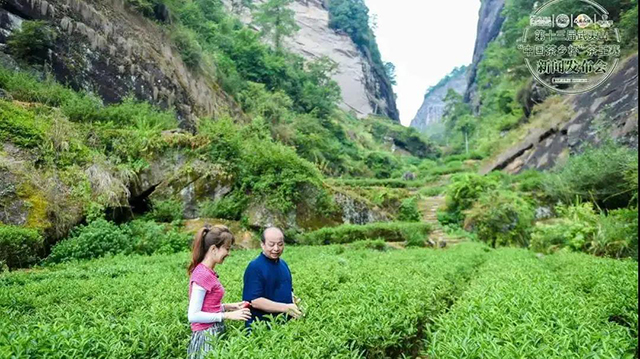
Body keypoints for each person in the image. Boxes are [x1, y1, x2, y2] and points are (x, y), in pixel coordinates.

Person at [187, 224, 251, 359]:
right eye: (227, 249)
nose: (228, 253)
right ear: (214, 249)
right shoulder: (202, 274)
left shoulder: (208, 272)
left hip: (213, 332)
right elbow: (193, 315)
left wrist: (229, 306)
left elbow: (208, 306)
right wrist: (227, 315)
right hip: (205, 336)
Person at [242, 227, 302, 329]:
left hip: (283, 326)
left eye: (280, 244)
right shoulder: (255, 267)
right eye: (271, 244)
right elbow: (255, 301)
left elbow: (288, 289)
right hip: (261, 329)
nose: (276, 248)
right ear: (262, 244)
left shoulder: (283, 264)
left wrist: (293, 300)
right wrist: (286, 308)